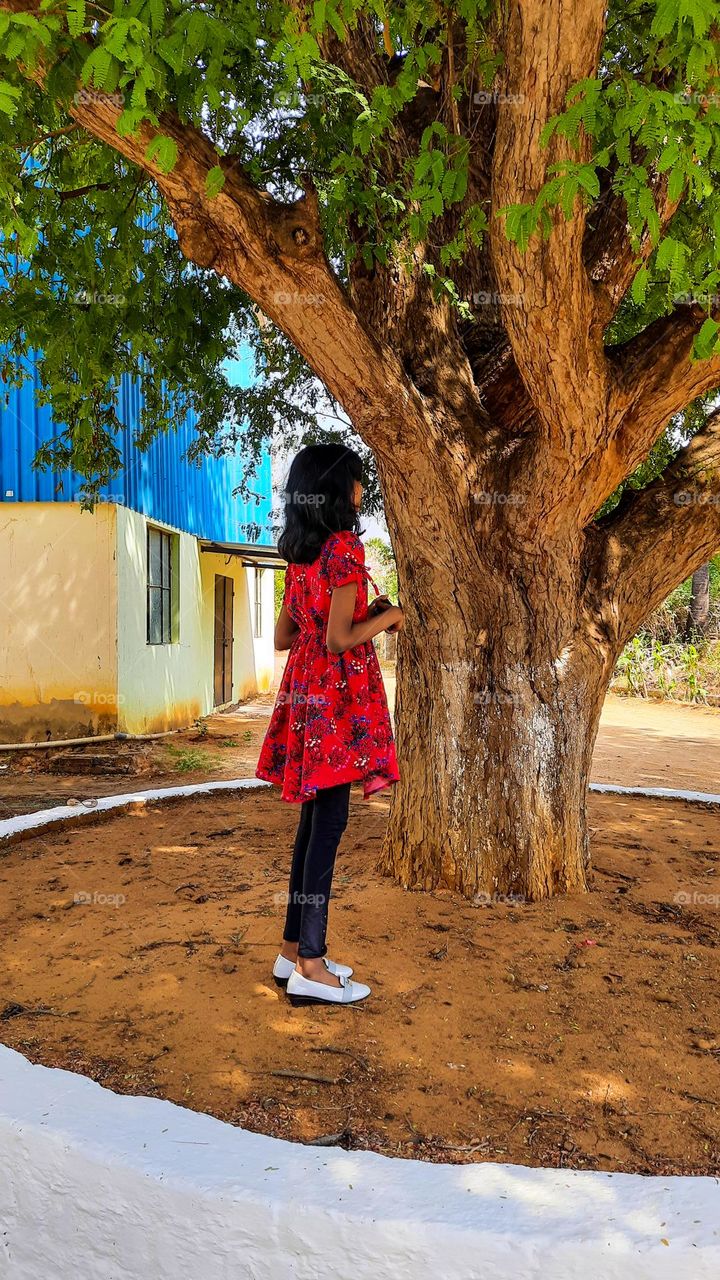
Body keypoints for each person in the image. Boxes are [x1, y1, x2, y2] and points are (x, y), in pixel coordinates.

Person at [256, 444, 403, 1006]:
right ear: (339, 490)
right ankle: (311, 967)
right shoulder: (343, 549)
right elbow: (341, 639)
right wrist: (391, 616)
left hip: (304, 695)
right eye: (357, 482)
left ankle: (292, 950)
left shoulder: (299, 552)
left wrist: (354, 616)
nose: (362, 491)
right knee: (330, 824)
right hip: (336, 702)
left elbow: (285, 637)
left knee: (314, 824)